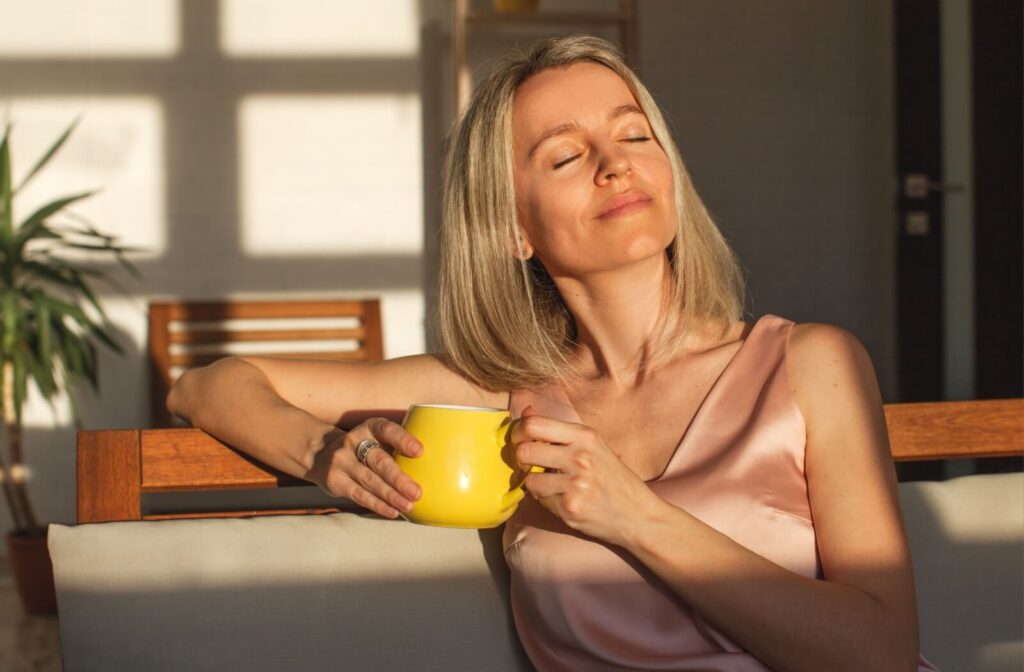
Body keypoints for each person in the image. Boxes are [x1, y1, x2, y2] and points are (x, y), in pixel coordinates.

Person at [169, 35, 937, 672]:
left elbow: (882, 653)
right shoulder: (502, 398)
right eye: (566, 157)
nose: (615, 163)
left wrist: (635, 515)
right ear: (513, 230)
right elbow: (207, 386)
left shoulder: (813, 365)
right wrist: (323, 452)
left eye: (635, 134)